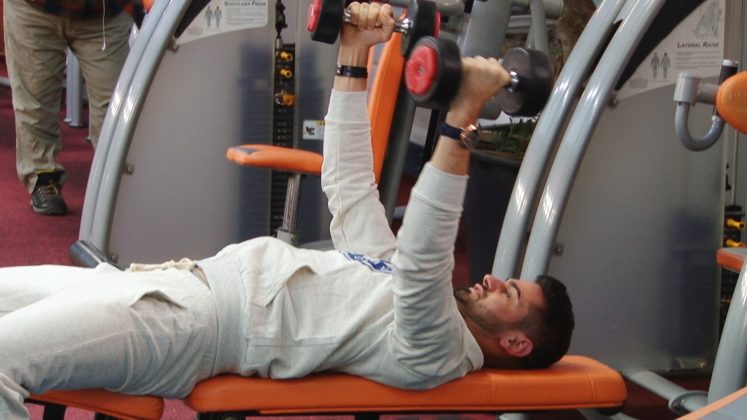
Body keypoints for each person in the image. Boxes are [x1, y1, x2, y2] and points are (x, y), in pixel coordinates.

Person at [0, 3, 574, 418]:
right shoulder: (391, 274)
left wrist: (463, 116)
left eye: (510, 294)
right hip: (166, 283)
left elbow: (428, 253)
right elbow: (349, 185)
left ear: (516, 343)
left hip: (191, 327)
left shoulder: (439, 348)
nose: (492, 279)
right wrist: (354, 52)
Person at [3, 0, 133, 215]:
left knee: (117, 112)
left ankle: (119, 183)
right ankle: (42, 177)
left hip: (104, 15)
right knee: (35, 104)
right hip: (34, 9)